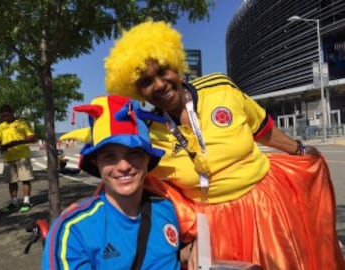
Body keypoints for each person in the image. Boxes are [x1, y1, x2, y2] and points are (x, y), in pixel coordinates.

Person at [105, 21, 345, 269]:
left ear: (176, 66)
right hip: (211, 228)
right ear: (138, 92)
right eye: (146, 82)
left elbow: (261, 129)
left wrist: (299, 149)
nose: (159, 84)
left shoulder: (220, 87)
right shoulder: (150, 133)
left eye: (163, 71)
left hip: (265, 208)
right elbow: (137, 179)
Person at [42, 95, 196, 270]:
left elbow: (164, 257)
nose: (123, 166)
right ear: (96, 162)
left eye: (134, 154)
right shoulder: (73, 229)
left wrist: (193, 250)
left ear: (148, 159)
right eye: (110, 156)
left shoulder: (167, 208)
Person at [0, 104, 36, 213]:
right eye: (3, 116)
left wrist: (18, 142)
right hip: (8, 157)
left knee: (25, 179)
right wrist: (0, 146)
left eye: (7, 116)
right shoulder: (0, 126)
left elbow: (32, 137)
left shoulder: (21, 123)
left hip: (22, 156)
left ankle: (26, 201)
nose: (5, 118)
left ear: (12, 113)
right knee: (11, 181)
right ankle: (14, 202)